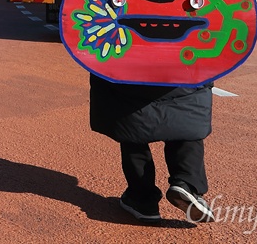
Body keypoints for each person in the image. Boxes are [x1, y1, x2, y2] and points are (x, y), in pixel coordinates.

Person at [89, 75, 215, 224]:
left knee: (132, 128)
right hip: (183, 73)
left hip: (133, 76)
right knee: (186, 121)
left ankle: (142, 199)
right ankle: (187, 183)